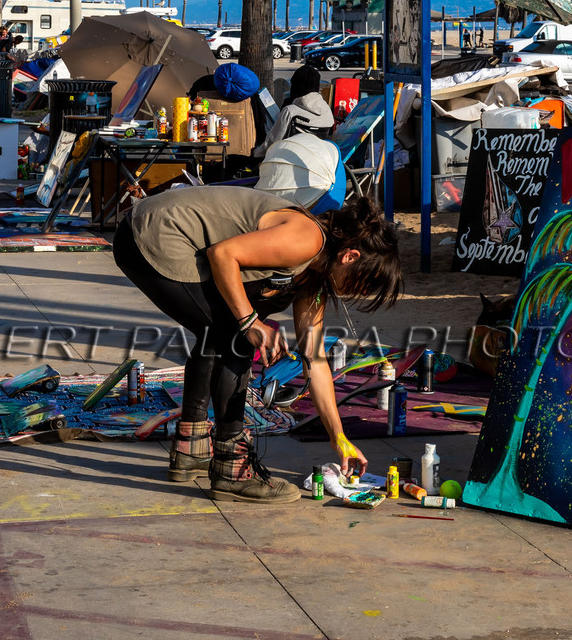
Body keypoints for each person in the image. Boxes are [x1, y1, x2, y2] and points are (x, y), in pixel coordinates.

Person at [113, 188, 402, 502]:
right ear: (350, 257)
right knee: (234, 335)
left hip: (149, 229)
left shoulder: (314, 277)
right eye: (365, 283)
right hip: (155, 231)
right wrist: (250, 321)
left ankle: (191, 448)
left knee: (220, 332)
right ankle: (231, 470)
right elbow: (223, 255)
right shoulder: (308, 239)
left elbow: (314, 360)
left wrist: (338, 436)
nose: (358, 293)